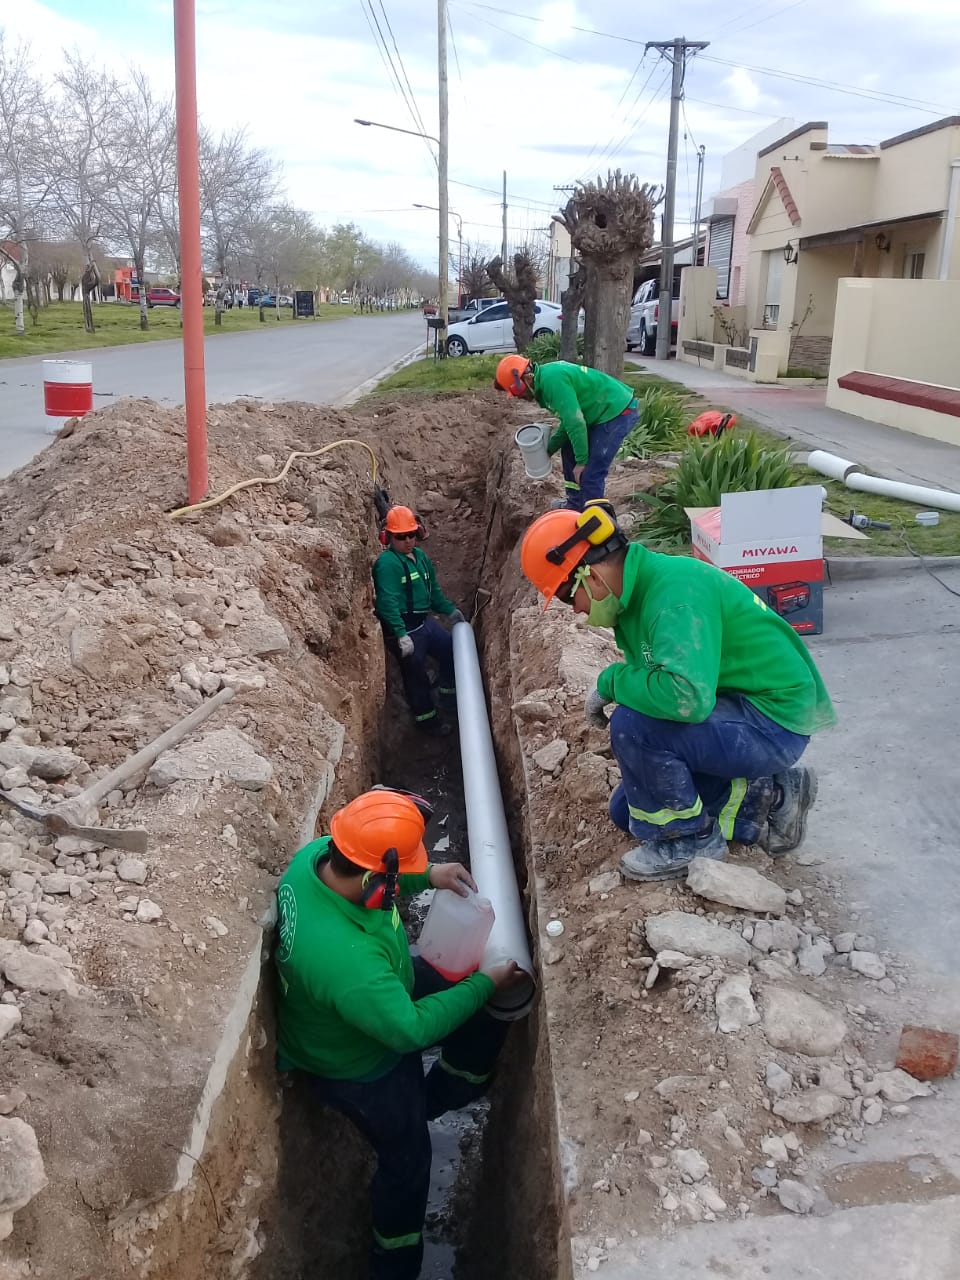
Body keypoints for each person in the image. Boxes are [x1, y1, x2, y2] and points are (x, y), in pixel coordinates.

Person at [275, 788, 523, 1280]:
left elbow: (377, 877)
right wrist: (483, 984)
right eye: (397, 876)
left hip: (372, 1001)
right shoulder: (345, 961)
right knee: (408, 1163)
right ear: (372, 879)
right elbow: (408, 1031)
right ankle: (395, 1264)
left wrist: (429, 876)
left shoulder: (316, 860)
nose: (401, 883)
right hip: (360, 1067)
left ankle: (454, 1085)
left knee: (464, 990)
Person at [519, 502, 836, 881]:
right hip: (736, 710)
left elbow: (684, 698)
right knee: (629, 812)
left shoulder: (674, 595)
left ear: (590, 575)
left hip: (772, 722)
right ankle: (773, 793)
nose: (574, 611)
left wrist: (612, 682)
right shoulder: (636, 598)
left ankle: (693, 842)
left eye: (570, 597)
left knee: (633, 726)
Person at [494, 355, 639, 510]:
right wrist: (550, 448)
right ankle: (575, 504)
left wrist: (582, 461)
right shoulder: (544, 380)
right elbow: (568, 422)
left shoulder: (552, 380)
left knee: (590, 474)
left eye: (515, 392)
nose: (518, 397)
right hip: (599, 411)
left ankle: (596, 520)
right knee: (568, 449)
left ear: (525, 379)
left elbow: (575, 422)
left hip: (616, 412)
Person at [373, 505, 465, 738]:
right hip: (406, 629)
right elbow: (387, 603)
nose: (408, 541)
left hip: (425, 623)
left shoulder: (421, 557)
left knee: (450, 650)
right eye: (401, 537)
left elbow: (433, 591)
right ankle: (428, 723)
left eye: (411, 535)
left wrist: (449, 610)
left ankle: (448, 696)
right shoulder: (387, 564)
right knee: (416, 678)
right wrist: (400, 635)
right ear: (388, 537)